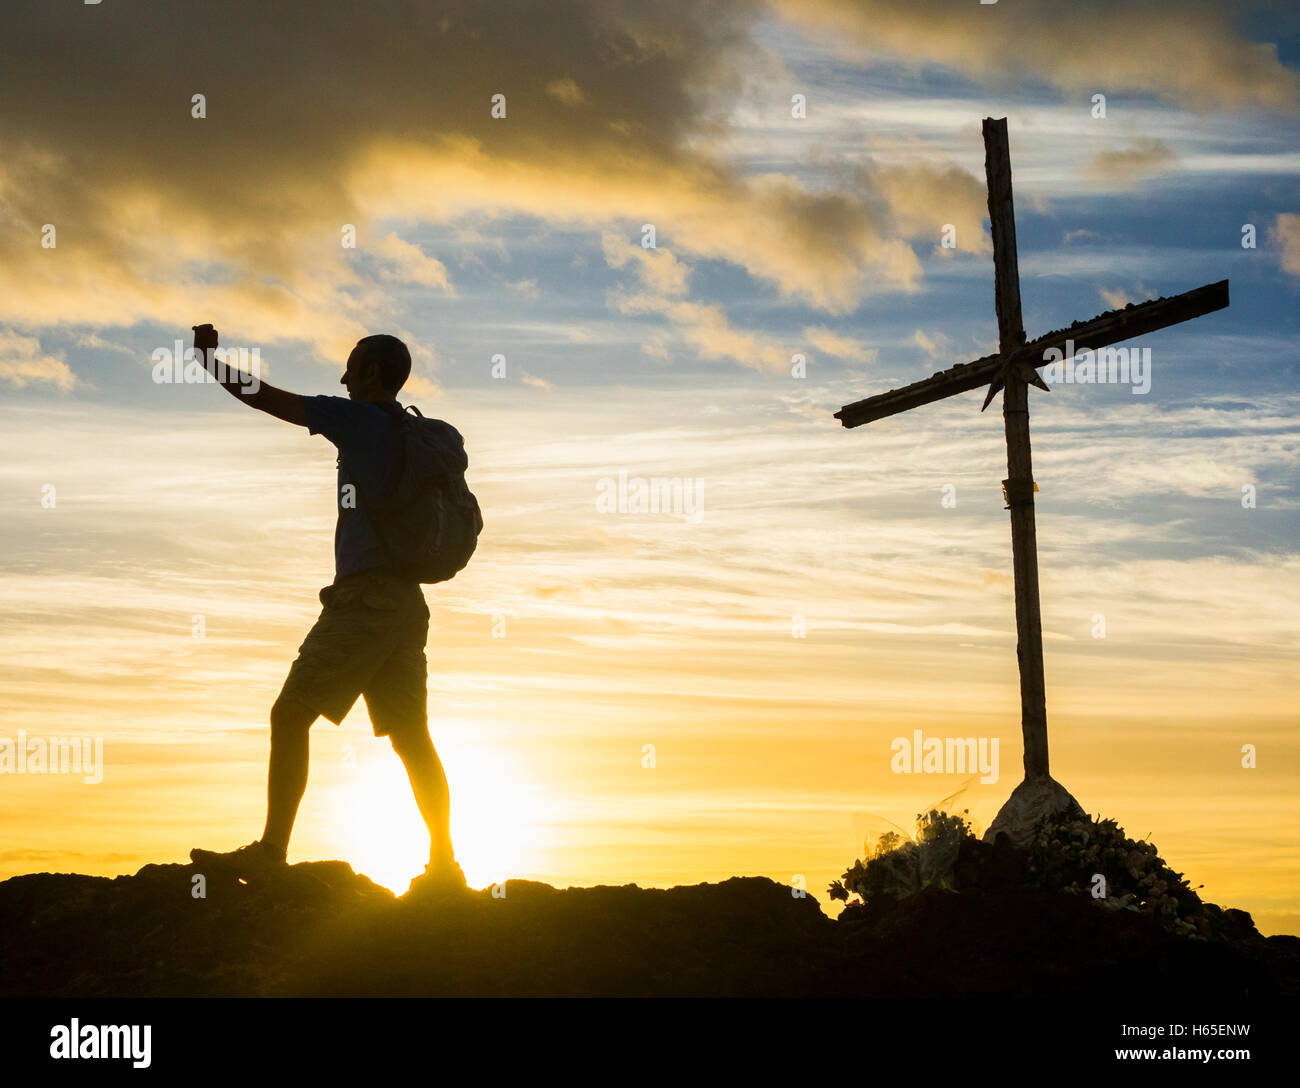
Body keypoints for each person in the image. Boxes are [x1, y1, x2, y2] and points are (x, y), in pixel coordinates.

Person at [187, 325, 466, 895]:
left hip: (364, 598)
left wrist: (209, 360)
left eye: (351, 366)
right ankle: (445, 867)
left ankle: (271, 853)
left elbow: (267, 398)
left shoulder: (356, 418)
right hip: (407, 604)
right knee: (413, 736)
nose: (342, 376)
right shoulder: (420, 436)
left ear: (369, 373)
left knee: (290, 715)